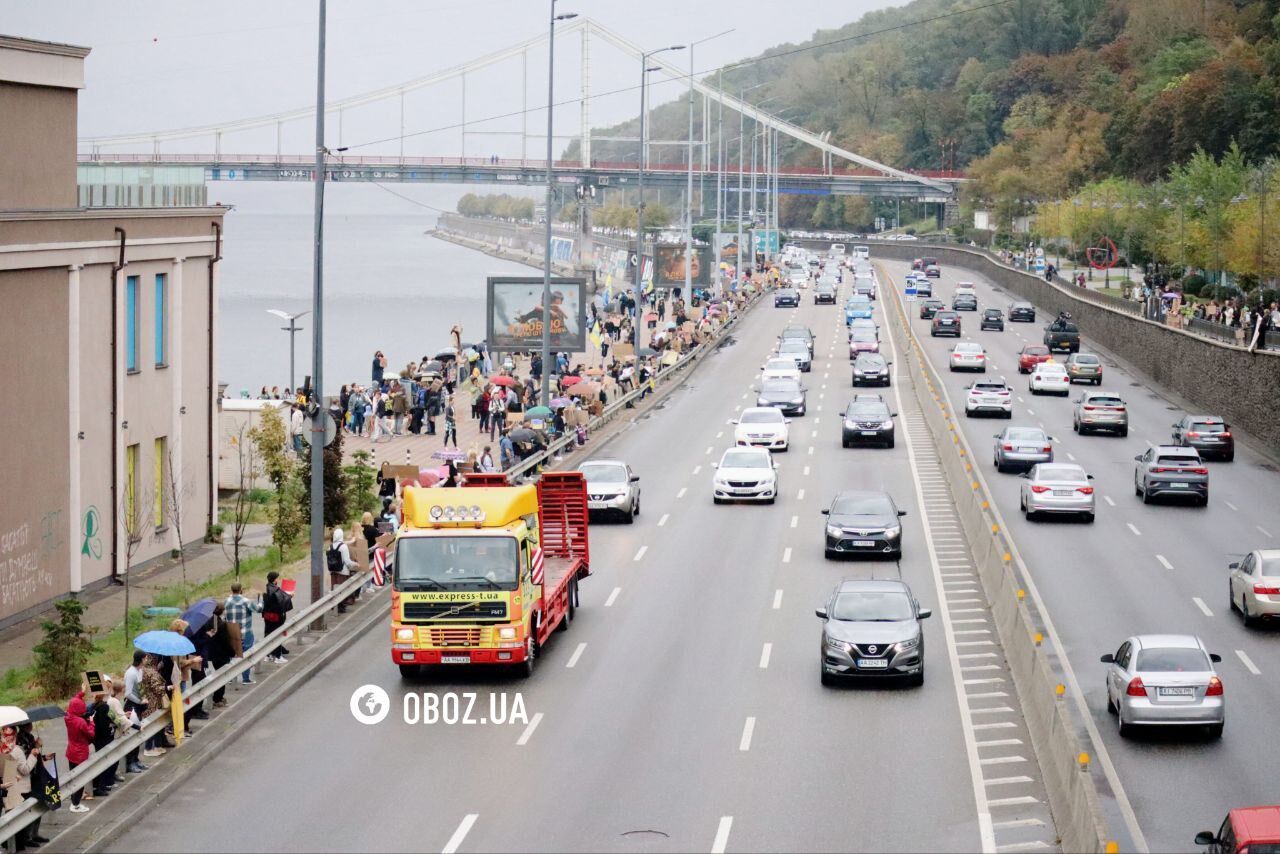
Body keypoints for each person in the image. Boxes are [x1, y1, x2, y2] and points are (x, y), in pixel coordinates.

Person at [2, 723, 49, 846]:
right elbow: (25, 769)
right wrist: (34, 754)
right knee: (24, 813)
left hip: (8, 785)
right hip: (22, 785)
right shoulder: (17, 749)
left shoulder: (4, 747)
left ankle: (13, 840)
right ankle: (22, 840)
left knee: (11, 814)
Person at [63, 691, 95, 812]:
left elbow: (73, 703)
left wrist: (80, 693)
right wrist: (91, 722)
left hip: (71, 751)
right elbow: (90, 734)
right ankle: (75, 804)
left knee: (73, 777)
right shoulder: (81, 722)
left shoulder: (68, 717)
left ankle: (73, 800)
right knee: (80, 780)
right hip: (81, 753)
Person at [223, 582, 260, 685]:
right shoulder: (246, 601)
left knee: (232, 655)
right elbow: (259, 609)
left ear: (231, 590)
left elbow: (224, 616)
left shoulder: (226, 601)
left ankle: (230, 677)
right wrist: (261, 602)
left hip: (231, 633)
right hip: (245, 633)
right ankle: (245, 678)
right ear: (241, 589)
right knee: (246, 655)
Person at [206, 604, 236, 707]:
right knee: (222, 677)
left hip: (213, 654)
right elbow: (226, 641)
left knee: (218, 674)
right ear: (222, 611)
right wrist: (233, 652)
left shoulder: (210, 622)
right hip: (222, 654)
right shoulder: (222, 625)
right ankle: (218, 698)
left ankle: (218, 697)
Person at [261, 571, 293, 662]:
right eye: (277, 578)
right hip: (275, 617)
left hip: (267, 616)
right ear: (275, 580)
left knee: (268, 635)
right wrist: (290, 597)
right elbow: (281, 603)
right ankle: (278, 656)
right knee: (277, 635)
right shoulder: (276, 590)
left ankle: (268, 655)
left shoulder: (265, 588)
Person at [328, 528, 357, 614]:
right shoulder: (343, 547)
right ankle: (341, 606)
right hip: (343, 571)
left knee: (335, 590)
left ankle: (335, 605)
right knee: (343, 590)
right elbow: (347, 562)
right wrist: (355, 564)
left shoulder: (330, 546)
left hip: (333, 572)